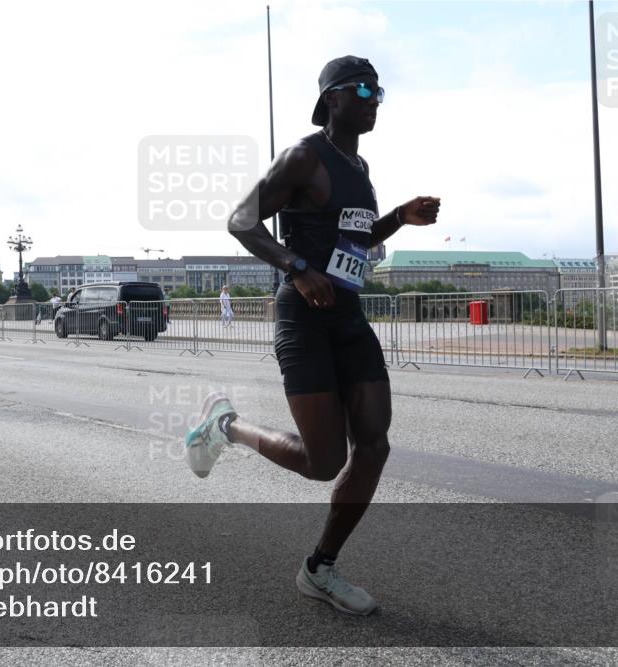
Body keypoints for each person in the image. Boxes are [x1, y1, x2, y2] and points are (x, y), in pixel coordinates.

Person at [184, 56, 440, 616]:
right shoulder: (303, 157)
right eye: (365, 89)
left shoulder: (360, 167)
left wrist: (400, 215)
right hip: (303, 320)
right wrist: (297, 267)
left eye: (380, 90)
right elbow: (241, 220)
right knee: (323, 462)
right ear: (333, 98)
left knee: (374, 444)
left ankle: (320, 567)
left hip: (348, 316)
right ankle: (225, 425)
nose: (376, 99)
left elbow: (356, 238)